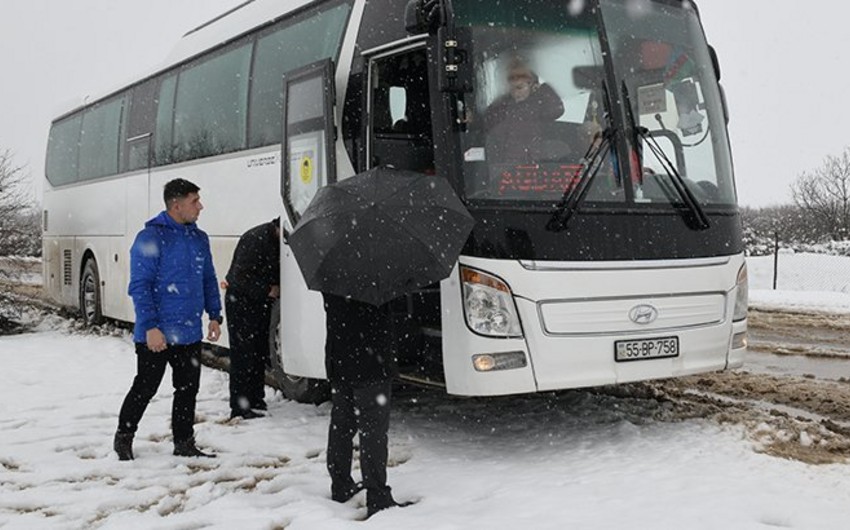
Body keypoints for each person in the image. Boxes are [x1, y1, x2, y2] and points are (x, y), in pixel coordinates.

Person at [113, 178, 223, 460]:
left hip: (188, 331)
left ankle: (184, 442)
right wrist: (150, 327)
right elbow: (140, 286)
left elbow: (208, 278)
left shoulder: (199, 238)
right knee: (145, 387)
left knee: (187, 389)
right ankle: (124, 438)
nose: (200, 206)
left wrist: (215, 315)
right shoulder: (150, 238)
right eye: (194, 201)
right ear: (176, 205)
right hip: (157, 332)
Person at [322, 293, 412, 518]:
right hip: (371, 362)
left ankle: (340, 484)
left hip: (339, 357)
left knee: (341, 424)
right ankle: (378, 496)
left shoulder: (329, 267)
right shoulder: (379, 274)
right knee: (373, 430)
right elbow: (393, 308)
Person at [224, 217, 281, 420]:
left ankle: (256, 399)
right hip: (241, 302)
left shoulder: (272, 239)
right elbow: (238, 278)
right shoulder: (257, 240)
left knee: (257, 352)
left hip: (258, 302)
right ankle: (240, 406)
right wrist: (267, 289)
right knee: (243, 354)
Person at [482, 57, 565, 163]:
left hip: (533, 158)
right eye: (511, 87)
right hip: (506, 161)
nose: (515, 92)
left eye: (520, 87)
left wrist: (543, 89)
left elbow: (557, 110)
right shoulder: (501, 105)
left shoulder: (538, 104)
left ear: (532, 85)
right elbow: (487, 122)